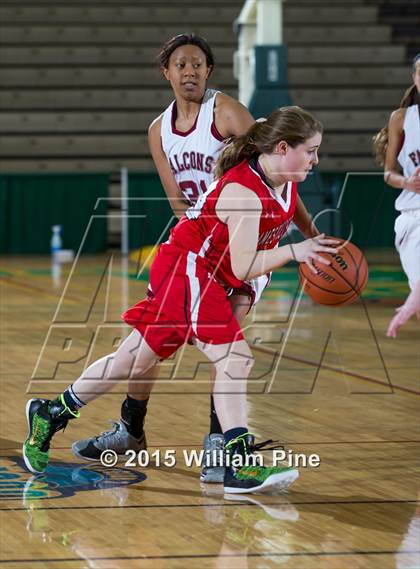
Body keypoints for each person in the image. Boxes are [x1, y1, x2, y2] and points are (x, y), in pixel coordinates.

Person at [23, 105, 338, 494]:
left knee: (134, 358)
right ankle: (238, 464)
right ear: (283, 147)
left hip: (207, 272)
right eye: (311, 151)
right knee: (234, 358)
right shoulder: (243, 191)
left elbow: (244, 267)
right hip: (190, 267)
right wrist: (296, 252)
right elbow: (242, 266)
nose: (316, 159)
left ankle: (50, 413)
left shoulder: (285, 179)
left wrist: (312, 243)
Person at [70, 34, 319, 484]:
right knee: (146, 346)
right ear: (165, 71)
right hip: (199, 246)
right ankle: (130, 427)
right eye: (181, 64)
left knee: (229, 346)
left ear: (209, 71)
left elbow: (278, 174)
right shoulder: (157, 130)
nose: (190, 71)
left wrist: (310, 233)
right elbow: (176, 201)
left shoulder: (225, 112)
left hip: (243, 243)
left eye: (198, 64)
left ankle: (218, 448)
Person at [373, 53, 420, 336]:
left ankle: (408, 307)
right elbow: (388, 173)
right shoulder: (402, 118)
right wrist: (407, 182)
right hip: (413, 217)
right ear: (414, 79)